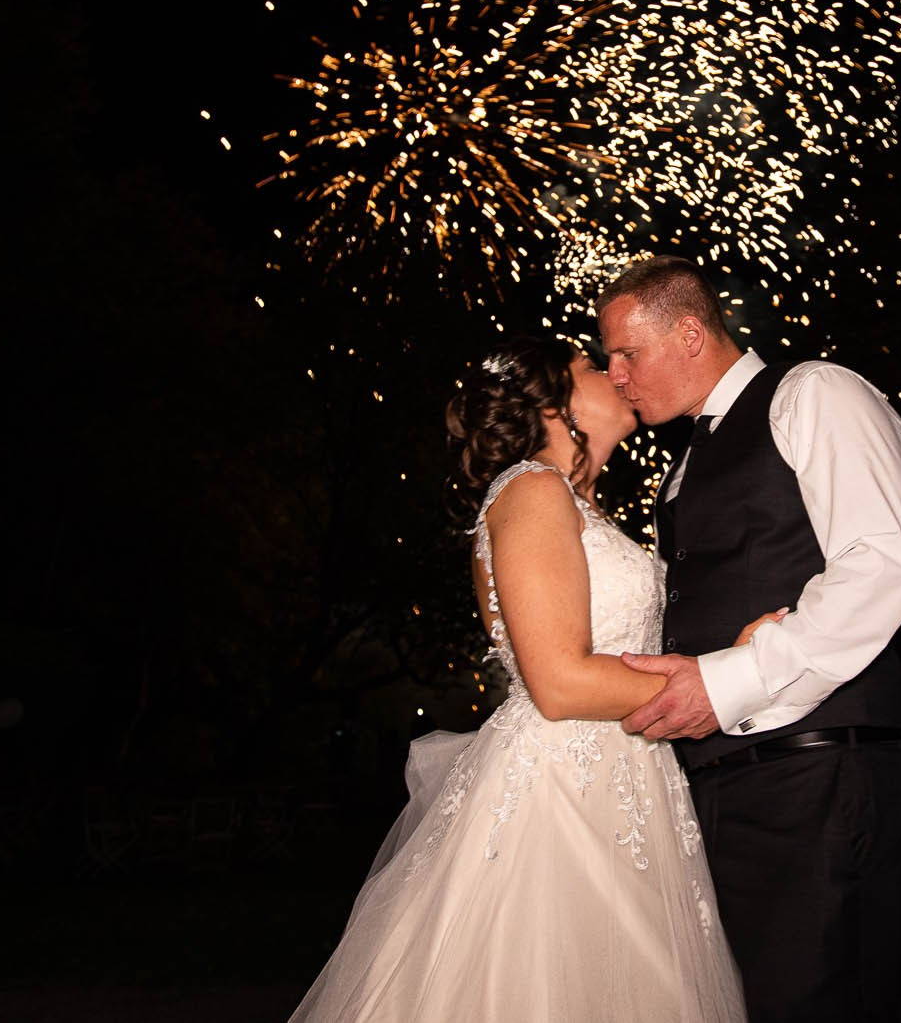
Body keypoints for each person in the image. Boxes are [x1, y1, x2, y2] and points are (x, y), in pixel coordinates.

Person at [285, 337, 753, 1023]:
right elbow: (558, 681)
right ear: (548, 401)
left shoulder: (573, 503)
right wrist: (721, 678)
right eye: (594, 365)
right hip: (562, 797)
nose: (616, 373)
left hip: (622, 786)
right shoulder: (532, 490)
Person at [598, 257, 901, 1023]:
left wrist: (733, 677)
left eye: (627, 352)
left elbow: (886, 565)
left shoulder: (814, 392)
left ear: (689, 331)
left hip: (816, 773)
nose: (615, 374)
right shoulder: (681, 469)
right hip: (718, 787)